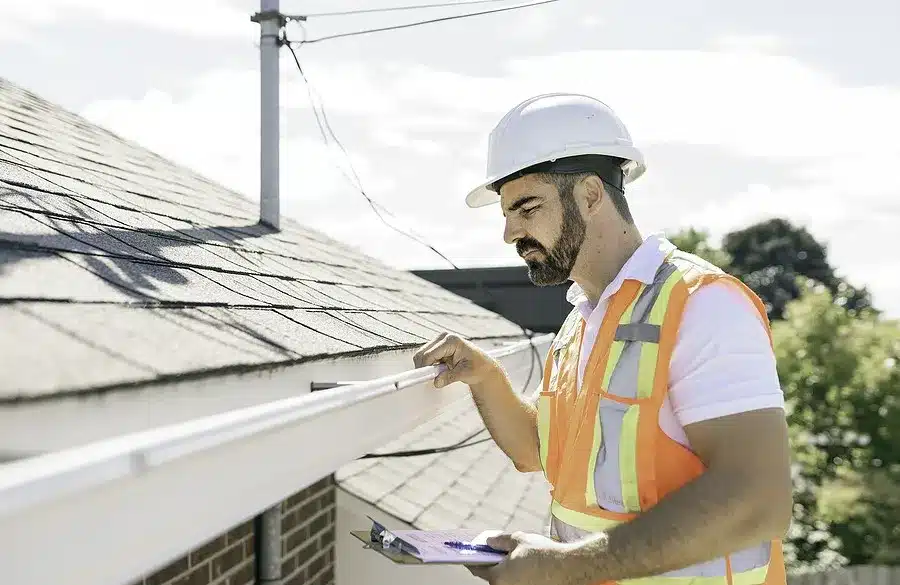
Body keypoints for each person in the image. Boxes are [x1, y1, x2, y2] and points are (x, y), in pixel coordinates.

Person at [412, 93, 793, 585]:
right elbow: (537, 451)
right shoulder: (583, 320)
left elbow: (757, 502)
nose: (509, 233)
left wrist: (562, 566)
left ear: (591, 195)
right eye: (506, 214)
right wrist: (484, 376)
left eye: (526, 208)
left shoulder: (703, 305)